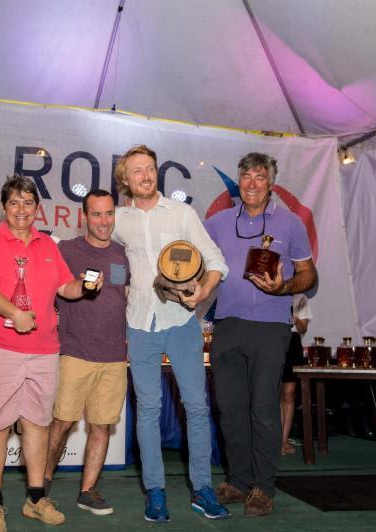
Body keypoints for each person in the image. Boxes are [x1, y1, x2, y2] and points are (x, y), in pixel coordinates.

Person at [0, 175, 98, 532]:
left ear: (37, 208)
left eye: (28, 203)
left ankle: (36, 498)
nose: (21, 210)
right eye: (14, 203)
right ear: (3, 207)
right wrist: (13, 313)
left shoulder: (47, 245)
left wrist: (86, 286)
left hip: (43, 350)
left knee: (38, 424)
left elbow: (65, 287)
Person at [112, 145, 230, 523]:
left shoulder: (181, 213)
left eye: (150, 168)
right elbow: (106, 263)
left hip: (182, 323)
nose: (145, 175)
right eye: (137, 171)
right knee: (147, 409)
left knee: (196, 407)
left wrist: (204, 291)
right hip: (140, 325)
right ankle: (156, 492)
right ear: (125, 180)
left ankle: (202, 490)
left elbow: (215, 261)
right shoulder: (117, 221)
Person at [204, 152, 317, 517]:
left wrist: (284, 288)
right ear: (239, 181)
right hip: (226, 324)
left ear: (271, 182)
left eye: (259, 176)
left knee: (264, 409)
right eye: (246, 176)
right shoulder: (217, 222)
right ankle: (238, 482)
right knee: (230, 408)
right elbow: (200, 268)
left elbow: (308, 275)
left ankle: (263, 488)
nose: (252, 183)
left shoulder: (290, 224)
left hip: (270, 326)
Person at [43, 189, 130, 516]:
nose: (104, 221)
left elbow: (129, 296)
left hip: (114, 356)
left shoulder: (123, 254)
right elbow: (47, 289)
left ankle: (88, 490)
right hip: (75, 352)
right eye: (97, 214)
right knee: (62, 421)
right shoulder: (66, 251)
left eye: (109, 214)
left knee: (102, 425)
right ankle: (43, 484)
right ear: (85, 217)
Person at [281, 293, 312, 455]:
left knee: (289, 394)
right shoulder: (271, 292)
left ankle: (284, 441)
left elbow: (303, 328)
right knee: (272, 394)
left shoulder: (301, 298)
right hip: (272, 339)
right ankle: (273, 440)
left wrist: (296, 320)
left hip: (293, 343)